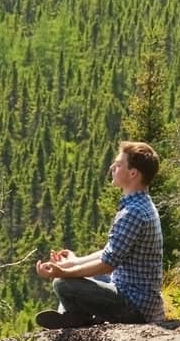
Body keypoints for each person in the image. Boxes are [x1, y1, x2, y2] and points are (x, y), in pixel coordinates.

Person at [35, 140, 165, 327]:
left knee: (62, 283)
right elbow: (111, 252)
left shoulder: (133, 212)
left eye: (119, 164)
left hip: (135, 306)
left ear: (133, 173)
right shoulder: (141, 204)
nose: (112, 167)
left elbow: (107, 264)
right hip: (138, 296)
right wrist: (75, 262)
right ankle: (72, 316)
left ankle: (75, 318)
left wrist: (64, 271)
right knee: (78, 276)